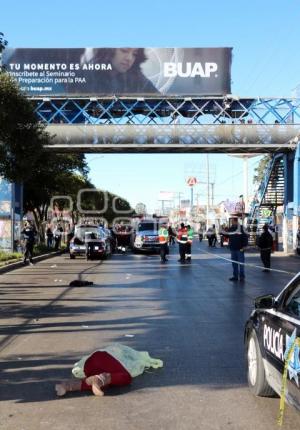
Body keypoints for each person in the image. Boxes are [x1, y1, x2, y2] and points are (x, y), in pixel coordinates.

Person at [55, 344, 163, 397]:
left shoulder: (108, 350)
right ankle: (99, 379)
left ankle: (66, 386)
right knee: (126, 377)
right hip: (105, 360)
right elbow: (134, 358)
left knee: (105, 382)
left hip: (89, 364)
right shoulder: (120, 352)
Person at [81, 48, 160, 95]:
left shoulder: (137, 78)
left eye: (134, 54)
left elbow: (161, 102)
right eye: (124, 50)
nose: (129, 58)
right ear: (108, 50)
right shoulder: (87, 75)